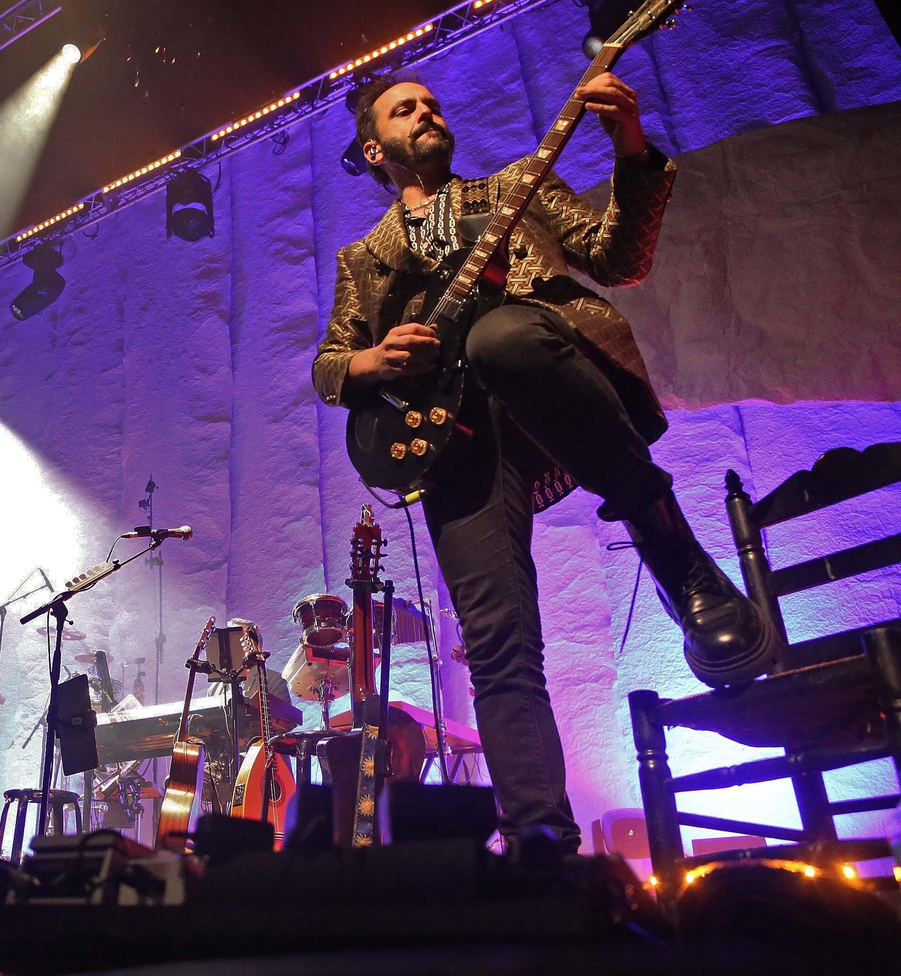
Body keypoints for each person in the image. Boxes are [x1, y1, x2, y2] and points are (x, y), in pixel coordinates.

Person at [312, 74, 770, 852]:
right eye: (404, 108)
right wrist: (373, 360)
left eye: (433, 102)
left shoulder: (517, 186)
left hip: (550, 387)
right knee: (497, 645)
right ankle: (539, 838)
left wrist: (630, 141)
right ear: (373, 148)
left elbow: (619, 257)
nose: (427, 111)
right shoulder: (365, 258)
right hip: (452, 440)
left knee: (503, 338)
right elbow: (328, 366)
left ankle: (680, 562)